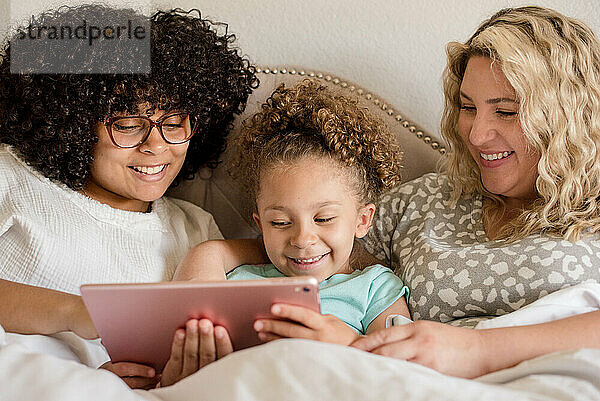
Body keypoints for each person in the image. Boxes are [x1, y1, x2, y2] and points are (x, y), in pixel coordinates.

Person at [0, 5, 257, 388]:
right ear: (70, 123)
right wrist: (78, 312)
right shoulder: (12, 176)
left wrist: (164, 379)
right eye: (127, 125)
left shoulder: (195, 228)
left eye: (173, 123)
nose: (156, 145)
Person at [349, 5, 600, 378]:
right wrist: (227, 256)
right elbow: (312, 245)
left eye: (507, 112)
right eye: (468, 107)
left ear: (567, 117)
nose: (477, 135)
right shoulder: (427, 200)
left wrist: (478, 348)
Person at [173, 81, 410, 351]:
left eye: (323, 219)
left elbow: (402, 367)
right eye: (281, 223)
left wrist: (351, 343)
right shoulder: (238, 278)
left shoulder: (374, 288)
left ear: (362, 220)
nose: (302, 239)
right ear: (260, 225)